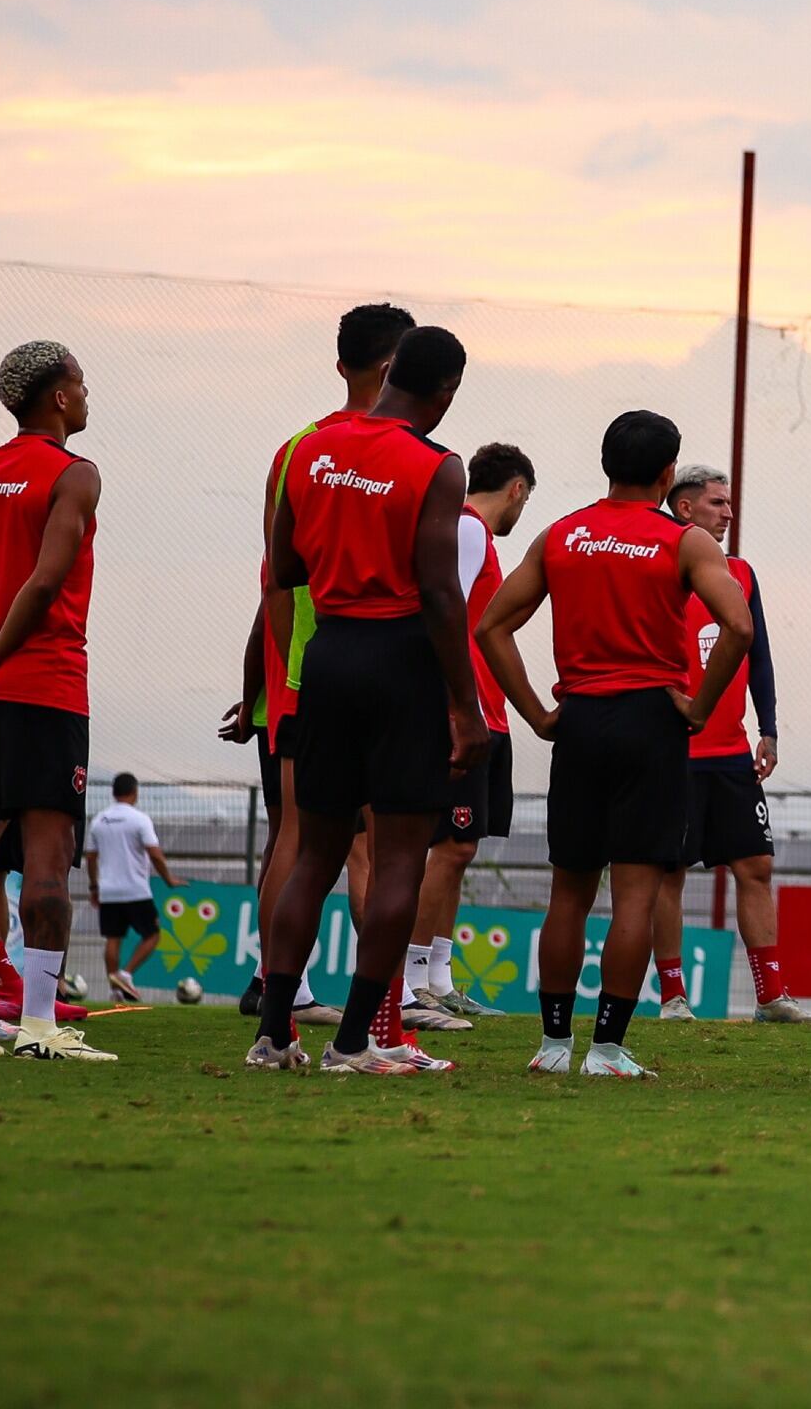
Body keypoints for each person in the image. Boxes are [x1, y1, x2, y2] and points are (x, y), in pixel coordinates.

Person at [479, 410, 753, 1079]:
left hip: (581, 721)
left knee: (568, 892)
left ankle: (550, 1045)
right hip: (651, 723)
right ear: (667, 475)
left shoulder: (563, 534)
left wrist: (540, 714)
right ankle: (606, 1048)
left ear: (607, 464)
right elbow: (738, 627)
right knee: (635, 894)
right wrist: (698, 707)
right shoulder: (684, 541)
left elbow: (490, 628)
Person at [247, 325, 486, 1073]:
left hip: (328, 657)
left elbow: (282, 565)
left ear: (387, 373)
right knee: (397, 863)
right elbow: (444, 595)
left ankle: (273, 1033)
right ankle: (353, 1041)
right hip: (401, 660)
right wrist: (465, 707)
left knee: (314, 854)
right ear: (444, 391)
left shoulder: (310, 450)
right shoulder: (435, 465)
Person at [224, 301, 416, 1028]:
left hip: (301, 674)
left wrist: (280, 675)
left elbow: (275, 575)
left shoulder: (298, 447)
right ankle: (383, 1016)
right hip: (358, 672)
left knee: (295, 838)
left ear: (343, 365)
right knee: (368, 845)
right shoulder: (409, 452)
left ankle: (278, 990)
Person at [0, 340, 114, 1063]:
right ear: (59, 398)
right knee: (48, 856)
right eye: (82, 383)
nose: (88, 395)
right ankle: (38, 1025)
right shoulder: (75, 473)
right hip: (44, 683)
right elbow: (45, 581)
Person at [650, 465, 811, 1024]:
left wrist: (767, 727)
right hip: (673, 753)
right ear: (685, 509)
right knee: (668, 874)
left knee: (756, 865)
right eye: (717, 503)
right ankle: (673, 997)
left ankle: (772, 996)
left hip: (730, 753)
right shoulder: (660, 567)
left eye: (728, 502)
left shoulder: (741, 573)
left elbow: (759, 654)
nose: (727, 511)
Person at [404, 442, 535, 1019]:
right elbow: (441, 612)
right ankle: (408, 986)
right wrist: (459, 709)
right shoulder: (468, 530)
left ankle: (438, 975)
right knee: (447, 846)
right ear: (518, 490)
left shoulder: (472, 533)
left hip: (486, 710)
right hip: (464, 712)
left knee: (460, 848)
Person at [87, 774, 183, 1003]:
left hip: (109, 890)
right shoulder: (139, 819)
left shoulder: (99, 820)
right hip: (136, 890)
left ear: (113, 792)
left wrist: (94, 887)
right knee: (152, 934)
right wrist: (168, 878)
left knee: (113, 939)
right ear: (135, 791)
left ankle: (115, 990)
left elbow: (90, 857)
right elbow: (155, 854)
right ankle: (125, 974)